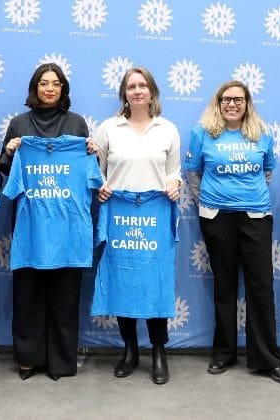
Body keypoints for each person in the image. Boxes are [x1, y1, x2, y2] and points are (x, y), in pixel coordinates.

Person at [186, 80, 280, 385]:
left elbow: (268, 170)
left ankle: (267, 360)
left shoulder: (262, 132)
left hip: (255, 216)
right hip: (216, 217)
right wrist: (207, 201)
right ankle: (224, 354)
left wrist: (246, 195)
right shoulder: (202, 132)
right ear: (217, 103)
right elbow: (193, 172)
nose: (232, 104)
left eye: (238, 99)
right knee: (224, 286)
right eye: (226, 99)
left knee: (261, 287)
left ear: (247, 103)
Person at [0, 63, 95, 381]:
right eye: (43, 83)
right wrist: (10, 151)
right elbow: (5, 173)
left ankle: (61, 362)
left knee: (65, 298)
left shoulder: (77, 124)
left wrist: (92, 151)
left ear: (63, 89)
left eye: (56, 83)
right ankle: (27, 358)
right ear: (34, 87)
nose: (50, 88)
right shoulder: (19, 124)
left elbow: (92, 172)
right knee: (28, 296)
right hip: (31, 228)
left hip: (67, 229)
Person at [93, 67, 181, 385]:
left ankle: (159, 351)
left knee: (155, 282)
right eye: (131, 86)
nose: (138, 91)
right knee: (123, 279)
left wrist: (174, 184)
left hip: (155, 215)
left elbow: (175, 171)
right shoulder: (108, 129)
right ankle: (130, 349)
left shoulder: (167, 129)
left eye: (143, 85)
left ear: (152, 91)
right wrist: (101, 186)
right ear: (124, 94)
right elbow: (97, 169)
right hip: (120, 216)